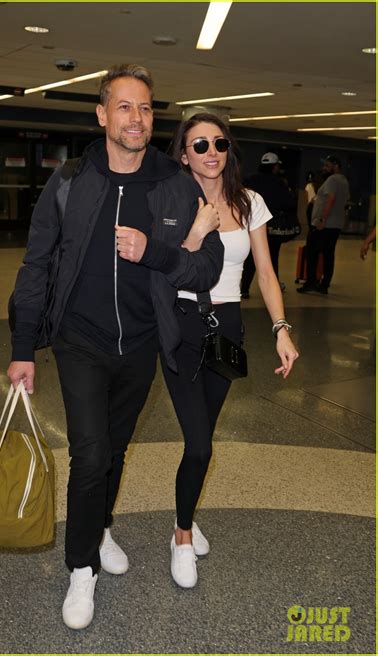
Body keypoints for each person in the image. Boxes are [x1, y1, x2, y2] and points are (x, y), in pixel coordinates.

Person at [7, 65, 223, 630]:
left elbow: (206, 269)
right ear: (102, 115)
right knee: (91, 455)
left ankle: (99, 529)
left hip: (142, 343)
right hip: (80, 339)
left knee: (117, 450)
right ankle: (82, 569)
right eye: (125, 107)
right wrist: (23, 346)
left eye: (146, 109)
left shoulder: (176, 184)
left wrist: (154, 251)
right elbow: (36, 264)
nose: (137, 119)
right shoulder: (72, 180)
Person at [164, 113, 299, 588]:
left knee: (204, 437)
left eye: (219, 143)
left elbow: (264, 273)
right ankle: (181, 534)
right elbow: (164, 266)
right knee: (199, 443)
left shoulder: (250, 202)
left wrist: (281, 328)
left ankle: (186, 514)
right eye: (199, 145)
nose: (211, 152)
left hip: (228, 326)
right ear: (183, 154)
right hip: (181, 326)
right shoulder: (170, 199)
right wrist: (198, 230)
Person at [240, 152, 297, 297]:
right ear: (275, 166)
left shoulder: (250, 180)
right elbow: (289, 203)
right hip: (272, 227)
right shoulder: (279, 183)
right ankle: (273, 287)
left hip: (251, 224)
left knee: (251, 259)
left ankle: (244, 289)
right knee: (272, 258)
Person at [297, 155, 350, 294]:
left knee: (312, 252)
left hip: (325, 224)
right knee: (328, 254)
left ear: (336, 165)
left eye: (327, 165)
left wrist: (322, 219)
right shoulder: (344, 180)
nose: (324, 168)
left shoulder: (332, 179)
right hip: (336, 224)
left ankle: (311, 283)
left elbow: (331, 199)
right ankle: (324, 285)